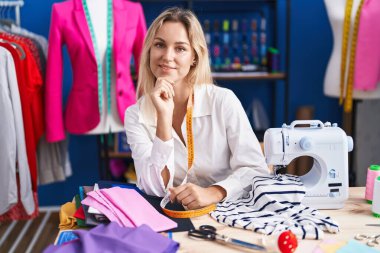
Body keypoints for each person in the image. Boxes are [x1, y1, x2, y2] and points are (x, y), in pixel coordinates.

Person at [124, 7, 269, 210]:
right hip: (174, 214)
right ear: (149, 51)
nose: (167, 56)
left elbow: (256, 170)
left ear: (194, 56)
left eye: (180, 48)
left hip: (229, 209)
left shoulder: (223, 101)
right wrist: (163, 118)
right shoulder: (135, 114)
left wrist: (213, 192)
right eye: (159, 45)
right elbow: (153, 188)